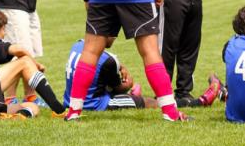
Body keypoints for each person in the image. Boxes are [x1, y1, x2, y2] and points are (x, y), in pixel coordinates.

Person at [63, 38, 221, 111]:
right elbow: (118, 87)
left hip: (70, 100)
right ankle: (200, 102)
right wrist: (128, 84)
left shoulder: (78, 44)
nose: (115, 36)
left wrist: (119, 67)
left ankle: (131, 97)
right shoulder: (108, 61)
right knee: (149, 102)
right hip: (94, 104)